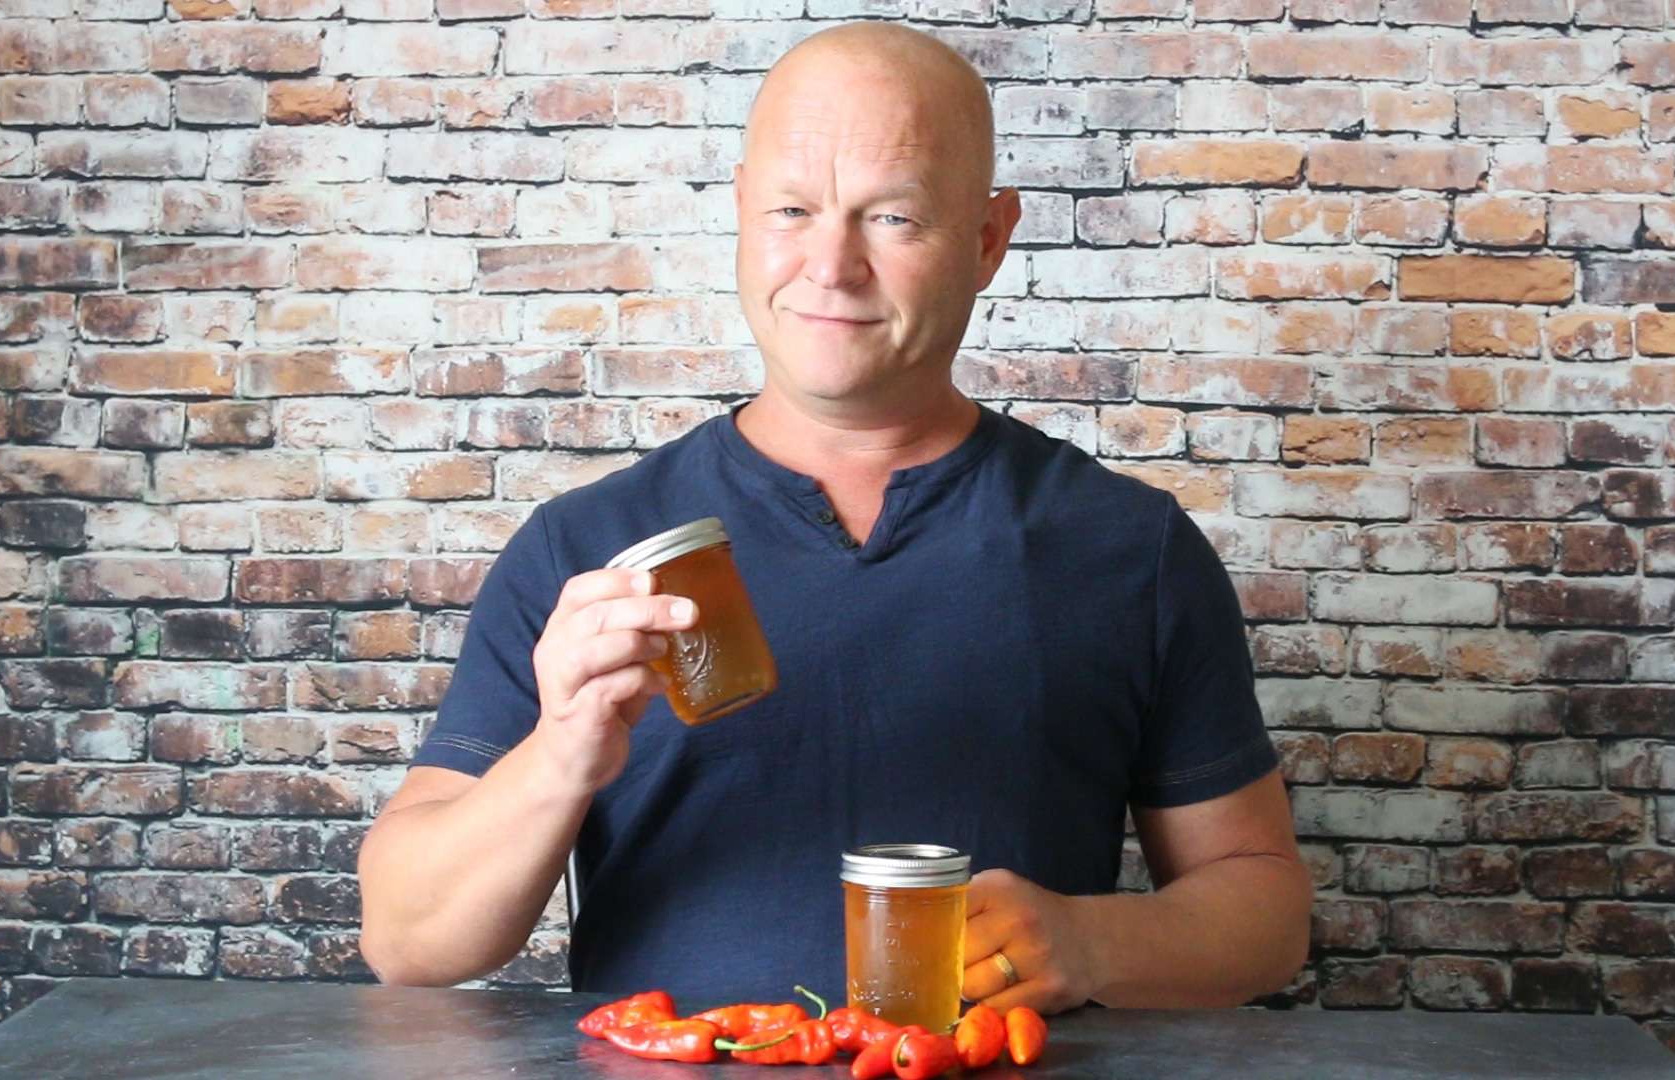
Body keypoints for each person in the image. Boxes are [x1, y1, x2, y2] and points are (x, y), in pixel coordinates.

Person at [356, 21, 1312, 1013]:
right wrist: (559, 756)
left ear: (988, 240)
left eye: (892, 219)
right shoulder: (586, 550)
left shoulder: (1131, 548)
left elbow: (1264, 913)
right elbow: (408, 941)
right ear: (738, 210)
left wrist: (1093, 943)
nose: (830, 264)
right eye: (791, 209)